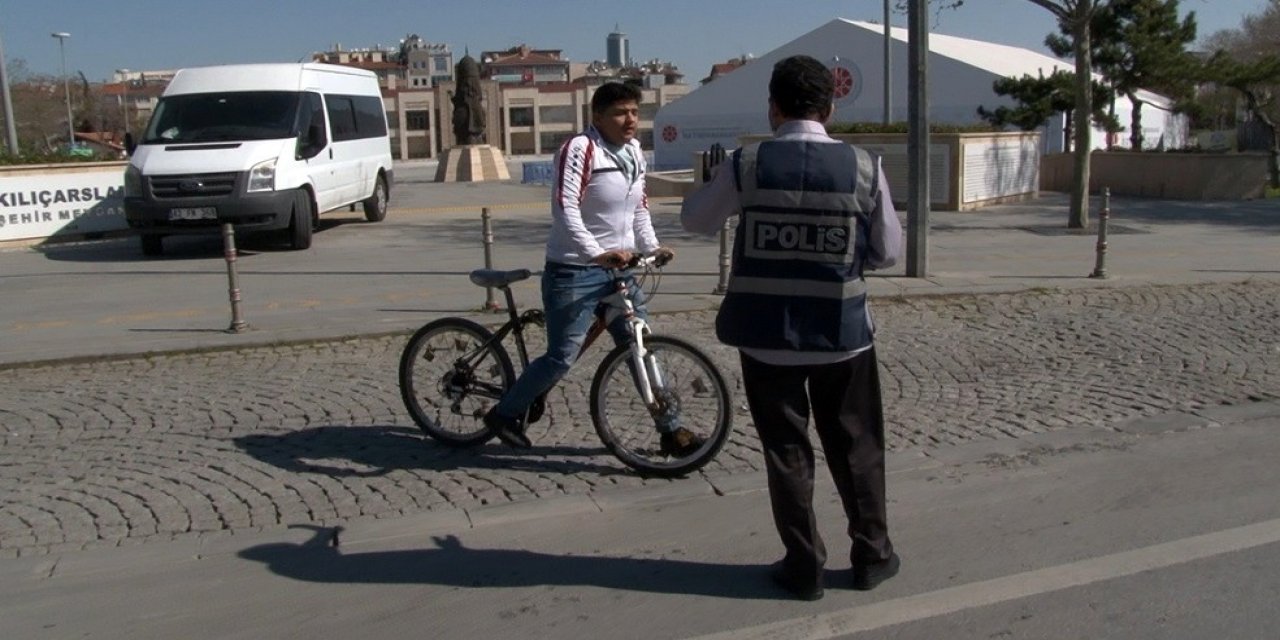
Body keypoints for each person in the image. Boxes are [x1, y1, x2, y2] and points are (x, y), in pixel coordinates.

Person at [680, 55, 903, 601]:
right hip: (843, 336)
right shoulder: (865, 167)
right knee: (857, 447)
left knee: (786, 451)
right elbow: (889, 252)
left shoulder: (746, 165)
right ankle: (872, 555)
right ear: (830, 108)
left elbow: (695, 221)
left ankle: (803, 566)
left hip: (765, 338)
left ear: (773, 108)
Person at [484, 82, 702, 457]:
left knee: (640, 346)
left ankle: (671, 429)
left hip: (620, 270)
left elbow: (639, 208)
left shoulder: (634, 151)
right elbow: (565, 208)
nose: (630, 119)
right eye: (620, 112)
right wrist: (595, 253)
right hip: (574, 270)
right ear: (597, 116)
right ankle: (503, 415)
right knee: (561, 355)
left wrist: (650, 247)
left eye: (635, 111)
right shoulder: (580, 149)